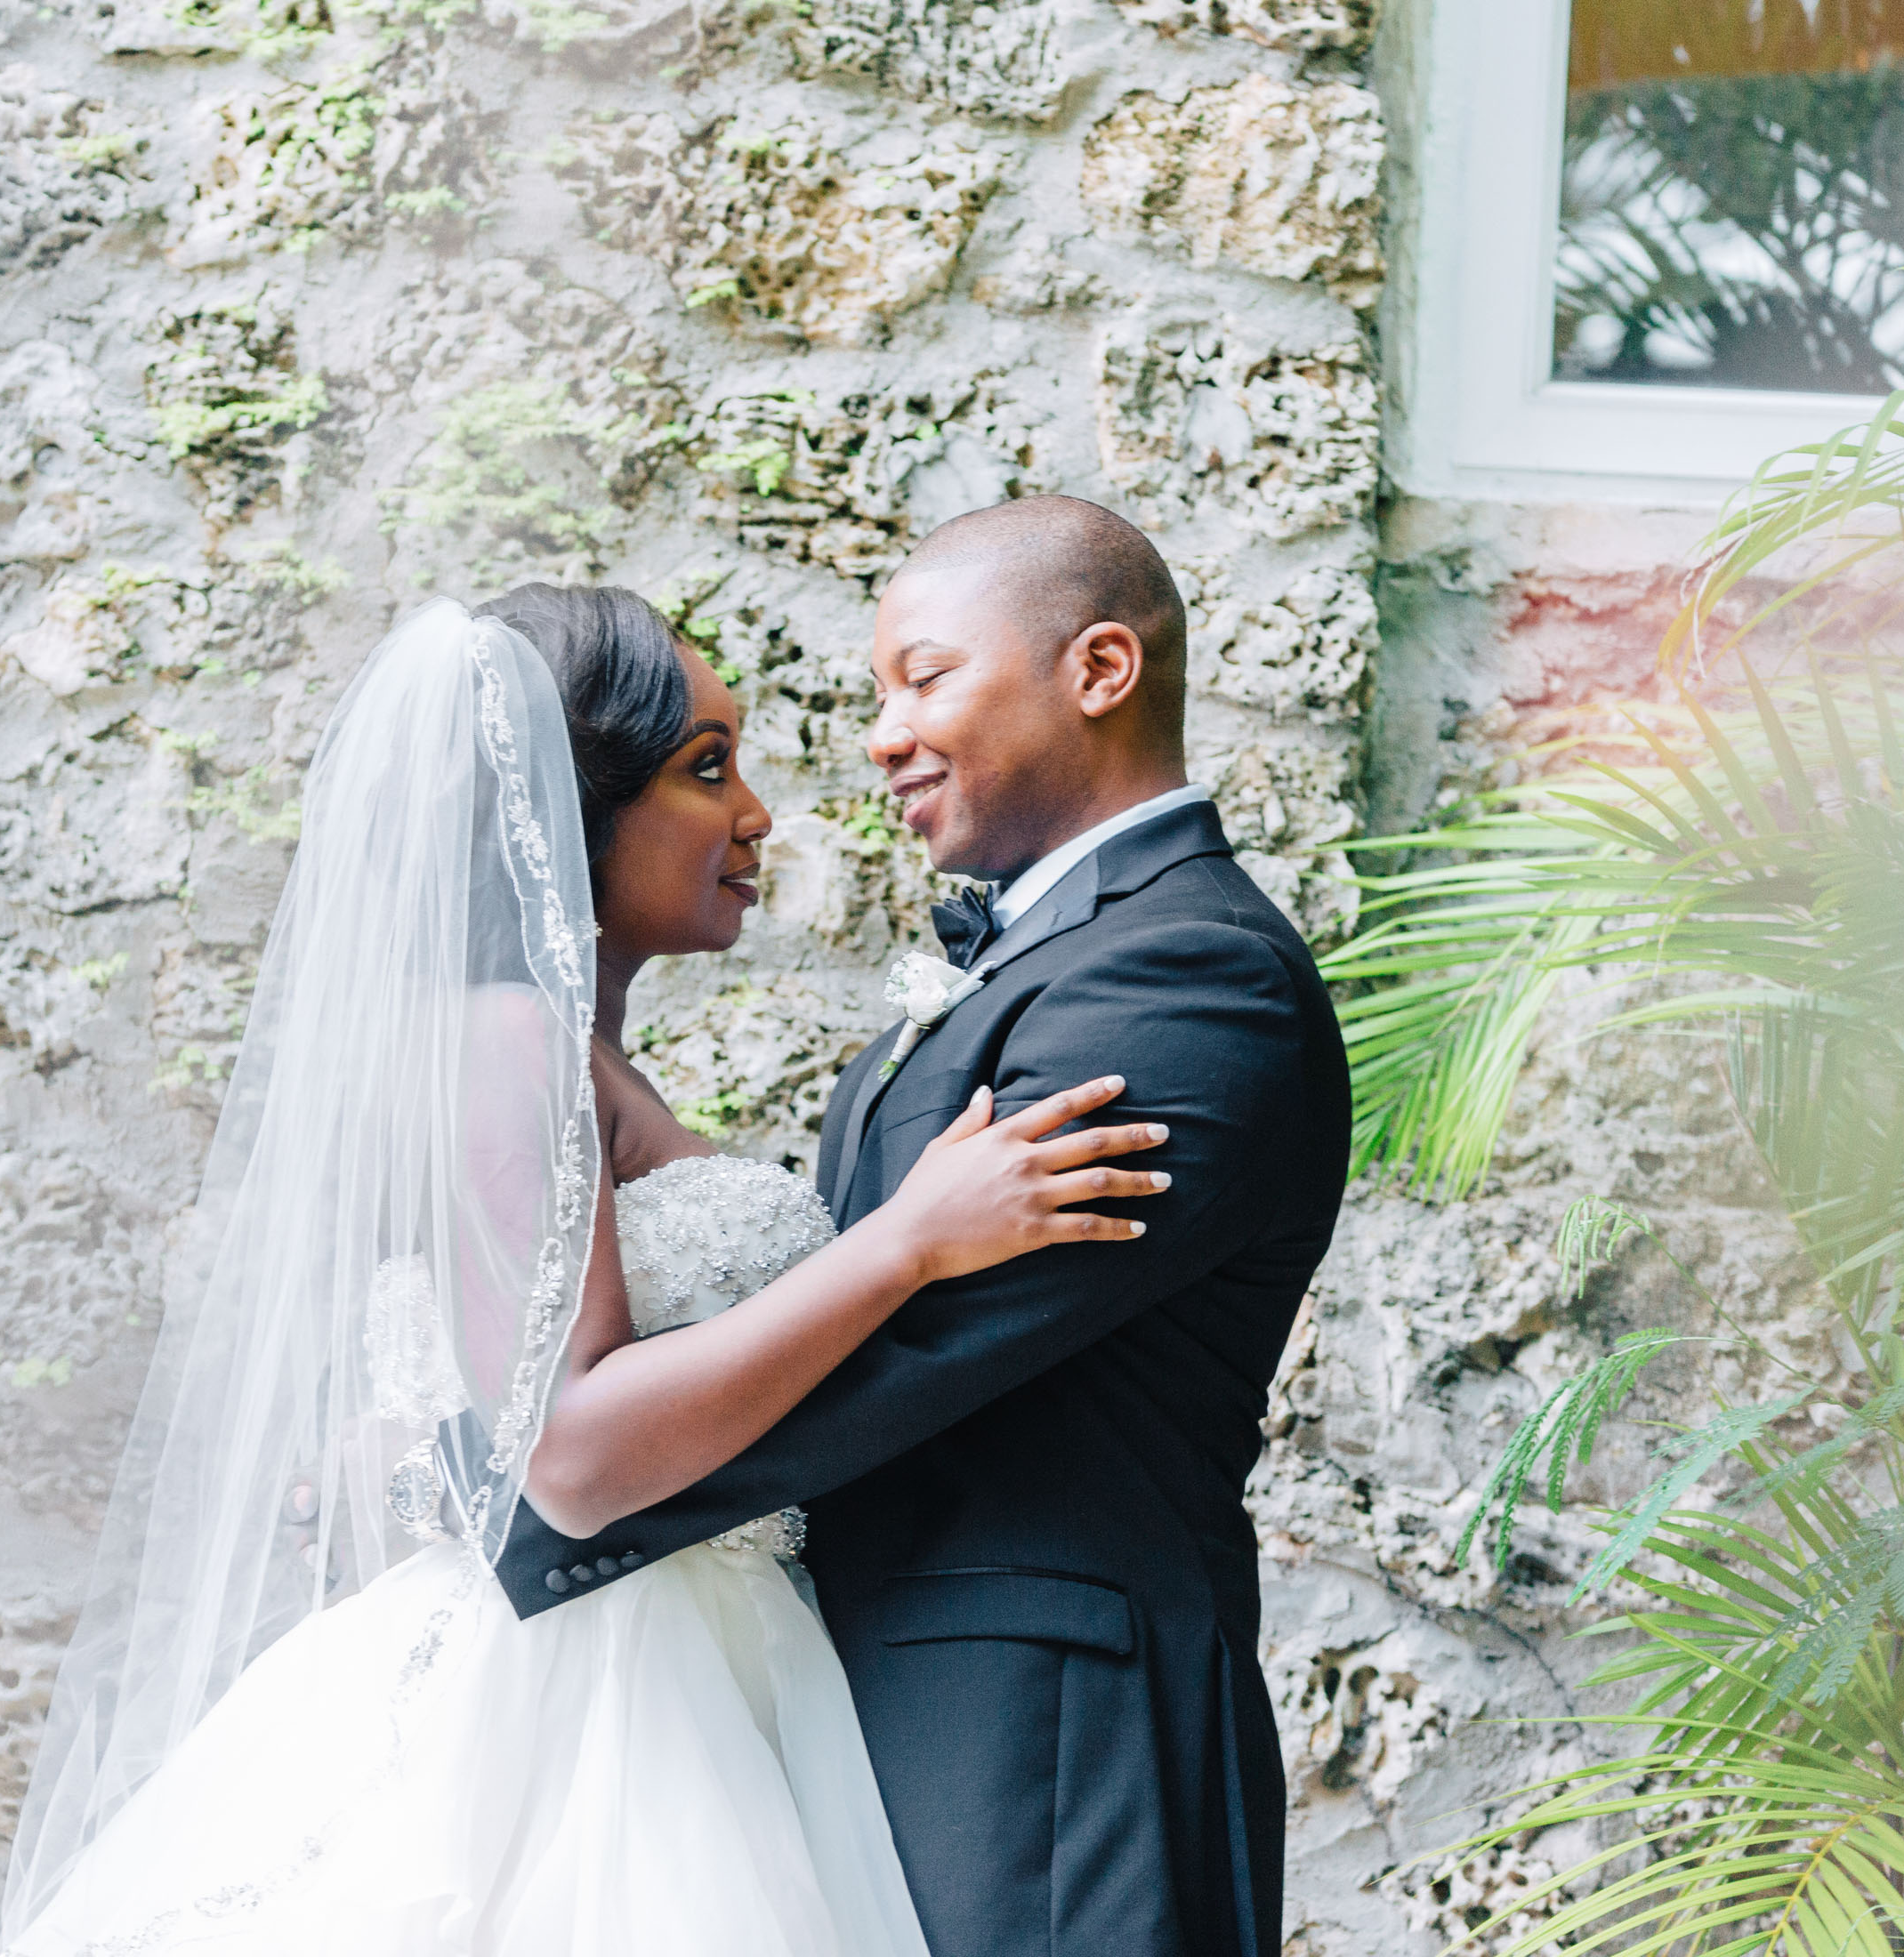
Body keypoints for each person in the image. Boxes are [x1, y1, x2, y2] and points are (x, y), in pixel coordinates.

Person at [0, 585, 1169, 1955]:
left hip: (695, 1663)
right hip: (581, 1703)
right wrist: (909, 1243)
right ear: (567, 807)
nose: (758, 818)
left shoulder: (578, 1055)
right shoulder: (509, 1039)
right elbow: (567, 1449)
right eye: (707, 769)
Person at [496, 499, 1352, 1957]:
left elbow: (915, 1355)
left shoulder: (1194, 976)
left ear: (1097, 671)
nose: (882, 736)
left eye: (925, 677)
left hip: (1049, 1745)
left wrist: (533, 1520)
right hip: (876, 1716)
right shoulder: (1050, 959)